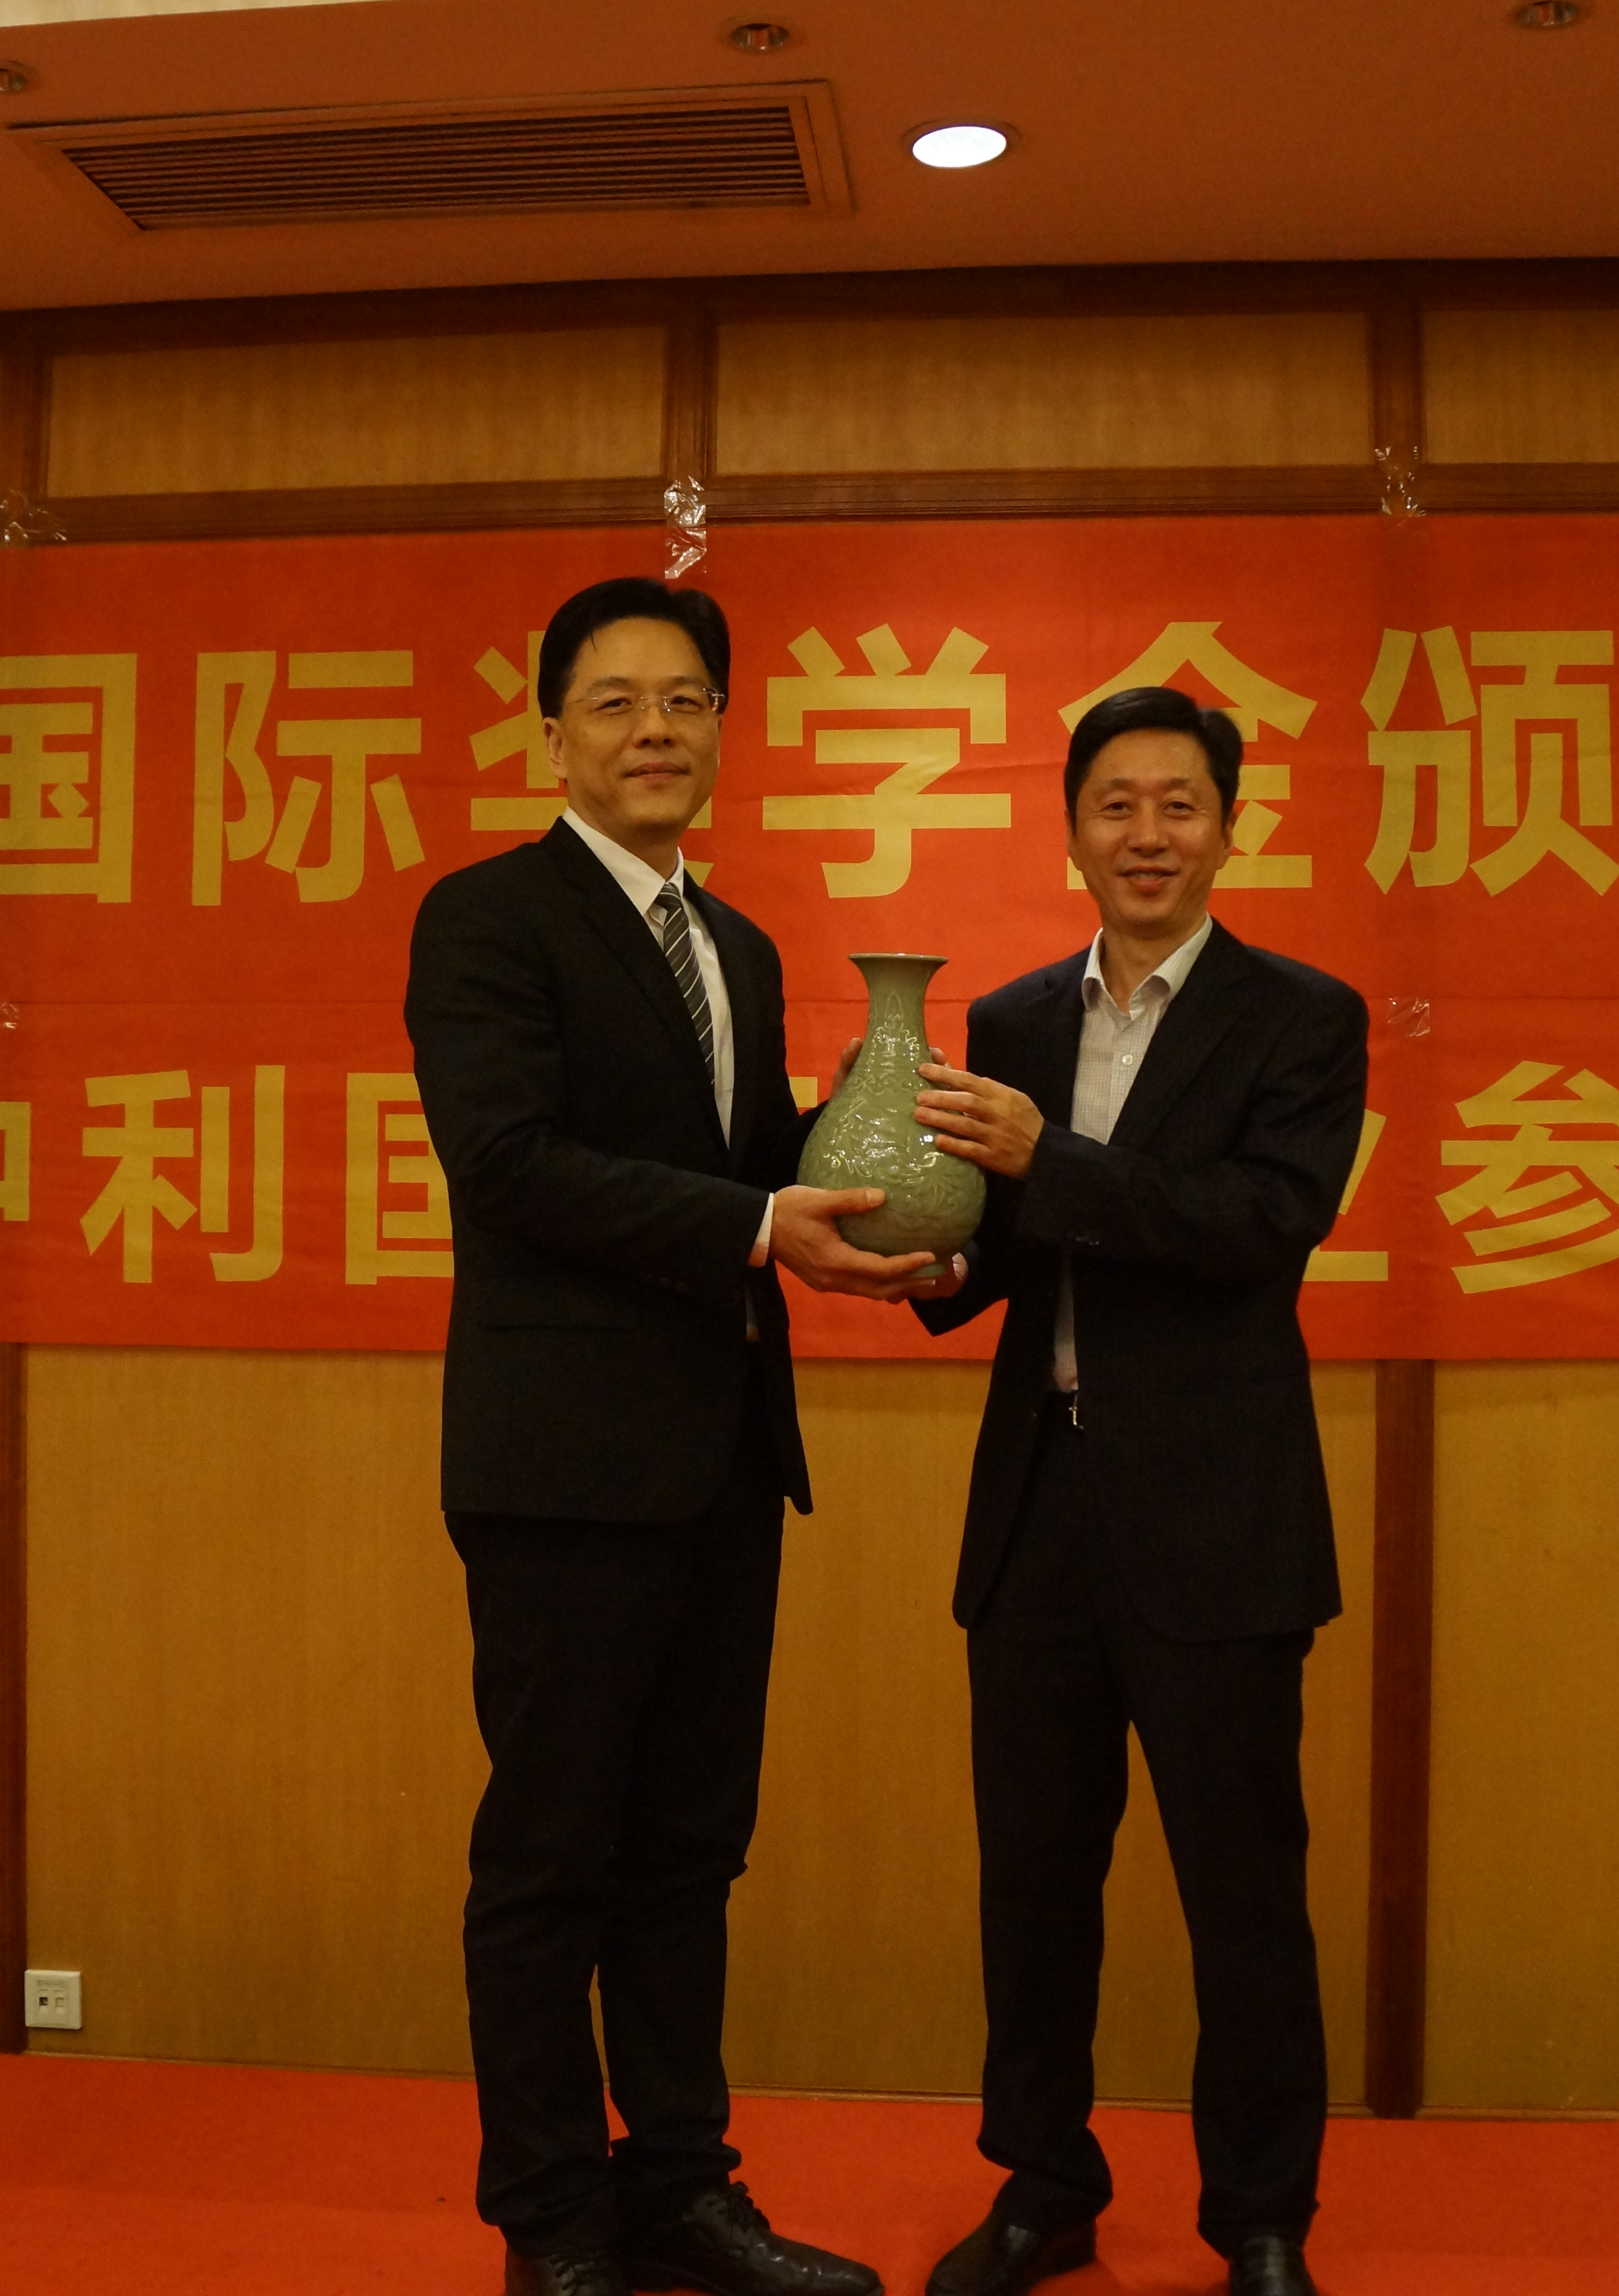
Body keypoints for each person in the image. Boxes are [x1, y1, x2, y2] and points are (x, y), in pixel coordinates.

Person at [405, 575, 942, 2296]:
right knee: (550, 1859)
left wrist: (887, 1169)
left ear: (722, 729)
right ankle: (554, 2221)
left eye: (686, 701)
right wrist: (761, 1222)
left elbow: (742, 1172)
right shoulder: (488, 919)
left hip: (722, 1460)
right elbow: (510, 1163)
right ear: (552, 733)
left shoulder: (740, 947)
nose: (656, 730)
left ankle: (684, 2191)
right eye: (617, 701)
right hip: (562, 1469)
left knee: (692, 1850)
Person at [903, 687, 1370, 2296]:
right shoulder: (1017, 1021)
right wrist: (923, 1253)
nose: (1148, 835)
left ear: (1230, 829)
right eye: (1116, 805)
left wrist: (1047, 1164)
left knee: (1243, 1888)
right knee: (1035, 1881)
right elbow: (1004, 1245)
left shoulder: (1303, 1017)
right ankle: (1043, 2186)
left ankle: (1262, 2218)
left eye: (1180, 805)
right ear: (1072, 832)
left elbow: (1259, 1226)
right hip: (1041, 1500)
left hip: (1218, 1515)